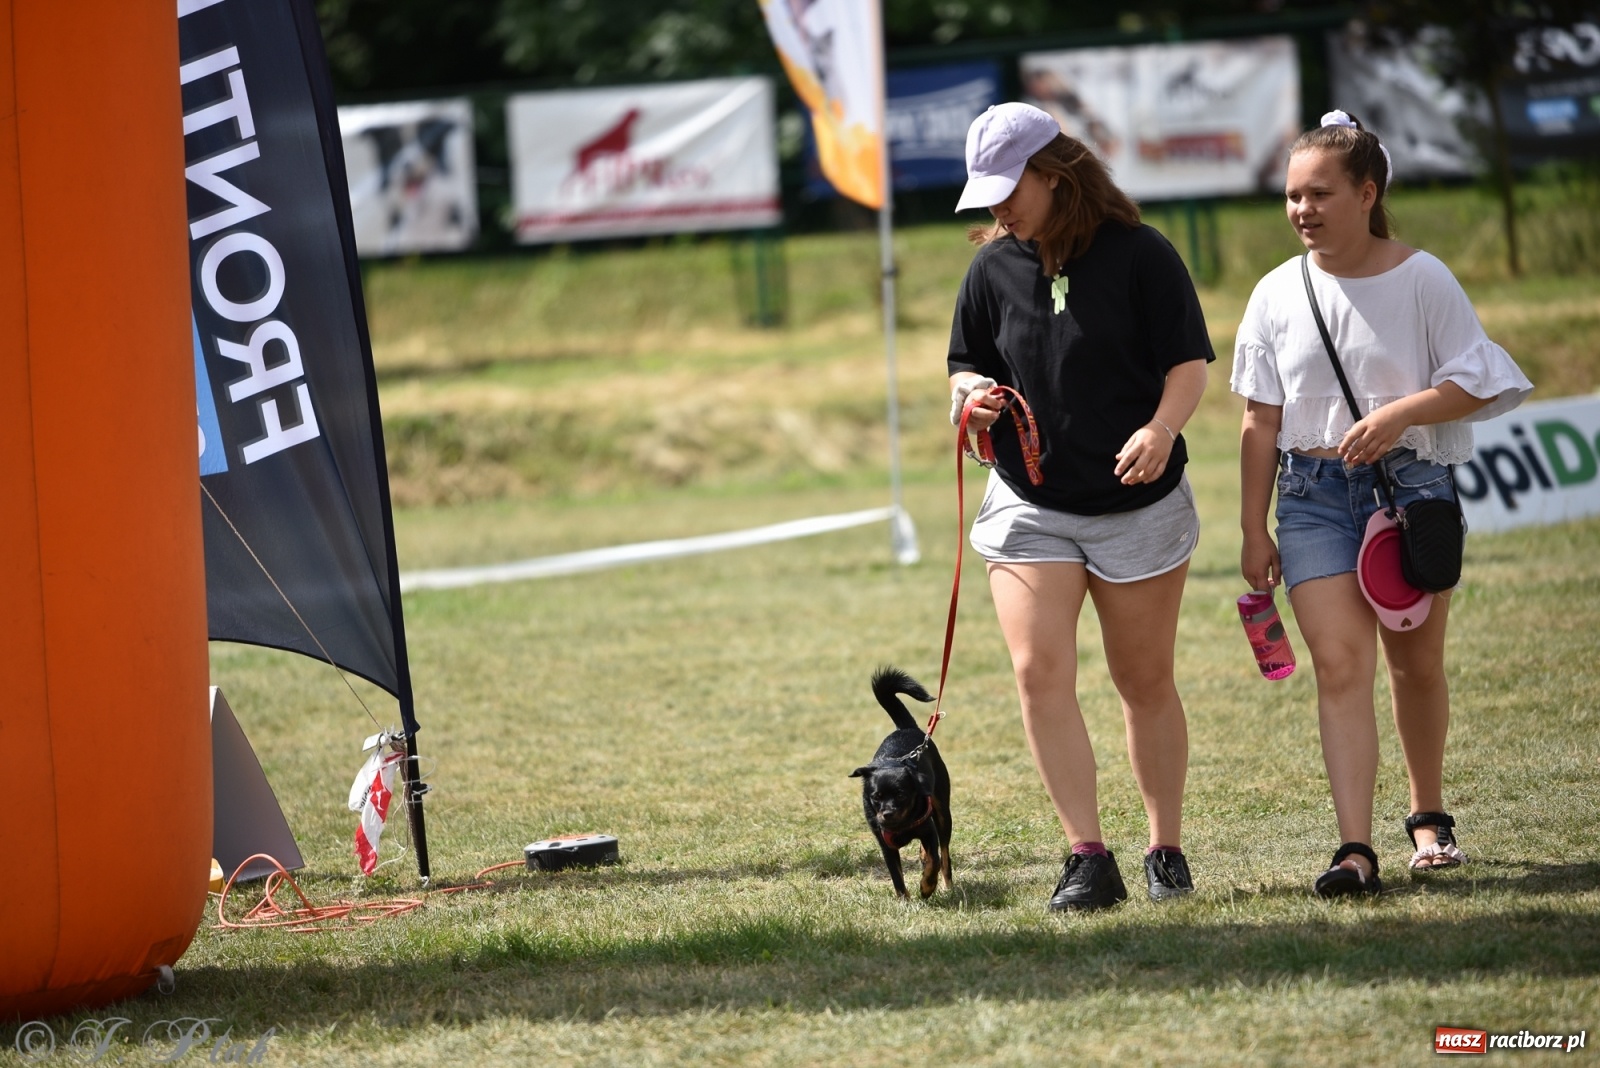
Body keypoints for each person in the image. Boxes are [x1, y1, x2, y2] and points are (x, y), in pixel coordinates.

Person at [1231, 111, 1532, 897]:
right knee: (1339, 665)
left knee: (1416, 665)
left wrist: (1401, 414)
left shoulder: (1423, 277)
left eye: (1320, 193)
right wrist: (1250, 526)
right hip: (1310, 496)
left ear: (1368, 193)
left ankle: (1429, 818)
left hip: (1410, 490)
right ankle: (1354, 850)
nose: (1303, 210)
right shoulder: (1273, 292)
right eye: (1292, 196)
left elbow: (1480, 380)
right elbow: (1259, 419)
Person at [947, 102, 1214, 911]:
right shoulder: (989, 270)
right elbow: (963, 366)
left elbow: (1189, 365)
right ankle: (1086, 856)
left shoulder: (1142, 255)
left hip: (1138, 504)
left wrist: (1162, 429)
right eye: (986, 193)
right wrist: (971, 399)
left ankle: (1164, 847)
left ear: (1055, 174)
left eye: (1008, 188)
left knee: (1143, 679)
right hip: (1030, 503)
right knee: (1038, 671)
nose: (998, 207)